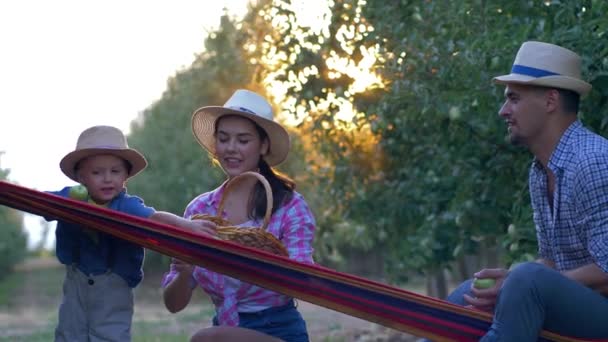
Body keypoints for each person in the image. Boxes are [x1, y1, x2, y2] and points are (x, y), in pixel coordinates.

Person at [444, 41, 608, 341]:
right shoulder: (540, 171)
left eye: (514, 99)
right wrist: (507, 281)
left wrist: (520, 282)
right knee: (472, 293)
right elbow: (552, 259)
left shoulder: (593, 162)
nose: (502, 111)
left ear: (550, 101)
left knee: (525, 280)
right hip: (576, 303)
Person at [161, 89, 315, 342]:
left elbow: (304, 281)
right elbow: (173, 305)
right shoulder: (200, 212)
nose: (231, 149)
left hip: (279, 330)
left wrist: (261, 259)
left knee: (205, 339)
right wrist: (185, 270)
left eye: (243, 140)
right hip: (225, 327)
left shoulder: (289, 206)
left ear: (263, 146)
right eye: (223, 139)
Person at [49, 125, 216, 342]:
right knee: (70, 331)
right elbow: (40, 202)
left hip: (114, 283)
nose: (107, 178)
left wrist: (188, 226)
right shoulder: (71, 198)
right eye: (97, 172)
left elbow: (156, 218)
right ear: (81, 177)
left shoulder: (127, 206)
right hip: (77, 279)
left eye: (115, 171)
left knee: (110, 333)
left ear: (126, 176)